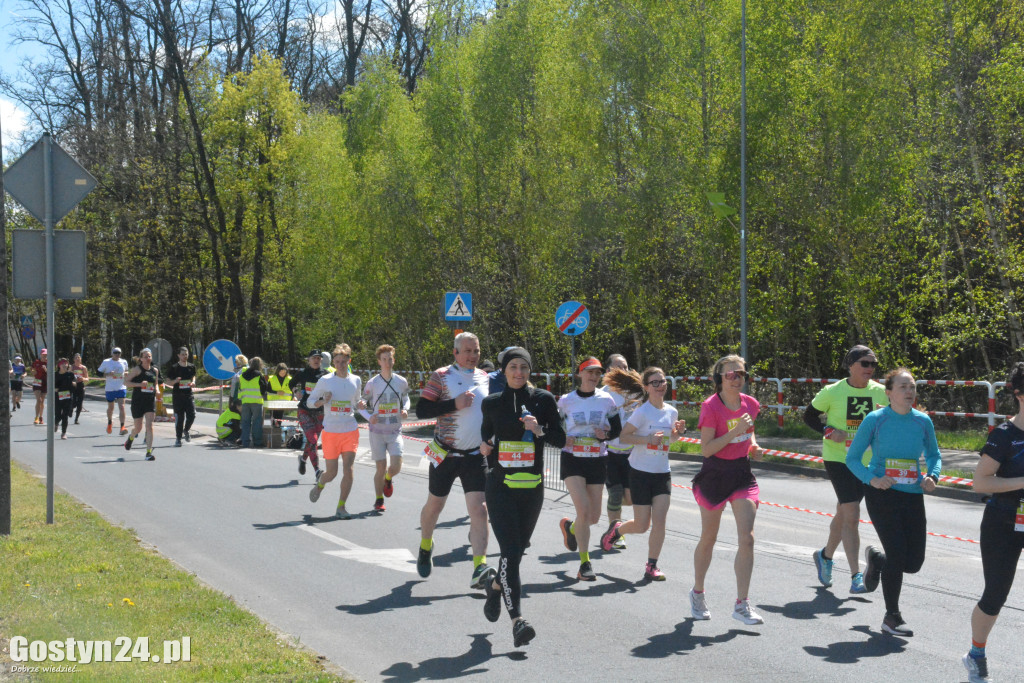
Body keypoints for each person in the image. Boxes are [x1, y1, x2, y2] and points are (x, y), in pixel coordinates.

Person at [846, 367, 941, 637]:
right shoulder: (875, 420)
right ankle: (892, 617)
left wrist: (932, 476)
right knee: (899, 556)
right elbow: (852, 459)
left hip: (912, 494)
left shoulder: (923, 421)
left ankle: (878, 559)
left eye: (912, 387)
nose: (909, 391)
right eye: (903, 387)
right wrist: (872, 479)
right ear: (889, 393)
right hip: (882, 494)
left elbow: (934, 455)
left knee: (913, 563)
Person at [479, 347, 565, 647]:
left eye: (524, 367)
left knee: (517, 550)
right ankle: (518, 622)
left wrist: (539, 430)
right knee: (511, 553)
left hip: (531, 488)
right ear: (504, 371)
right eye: (513, 367)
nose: (519, 372)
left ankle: (493, 586)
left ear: (530, 370)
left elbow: (561, 438)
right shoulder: (491, 403)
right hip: (500, 487)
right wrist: (485, 448)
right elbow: (486, 436)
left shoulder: (542, 399)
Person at [687, 355, 766, 625]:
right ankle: (698, 592)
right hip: (714, 476)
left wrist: (753, 445)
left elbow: (749, 430)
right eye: (731, 374)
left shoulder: (751, 404)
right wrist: (735, 433)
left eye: (741, 374)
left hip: (742, 475)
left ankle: (742, 604)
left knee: (747, 538)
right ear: (719, 378)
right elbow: (706, 449)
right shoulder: (711, 407)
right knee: (709, 538)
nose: (737, 379)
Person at [804, 345, 888, 594]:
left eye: (873, 364)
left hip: (867, 462)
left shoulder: (882, 392)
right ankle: (856, 576)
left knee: (844, 513)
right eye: (865, 363)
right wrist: (829, 431)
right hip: (839, 459)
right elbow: (809, 417)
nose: (870, 369)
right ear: (850, 365)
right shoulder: (832, 392)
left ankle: (825, 556)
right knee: (851, 515)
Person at [414, 331, 493, 589]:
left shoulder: (485, 378)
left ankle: (479, 566)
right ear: (456, 353)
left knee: (480, 511)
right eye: (467, 351)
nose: (472, 356)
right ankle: (426, 545)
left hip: (474, 456)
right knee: (434, 507)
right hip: (445, 453)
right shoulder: (441, 376)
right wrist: (453, 404)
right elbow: (422, 410)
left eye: (476, 351)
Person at [962, 362, 1024, 683]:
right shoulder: (1005, 435)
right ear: (1019, 394)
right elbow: (980, 483)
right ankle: (976, 654)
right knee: (996, 594)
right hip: (1004, 520)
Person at [600, 367, 686, 582]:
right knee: (641, 525)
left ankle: (651, 566)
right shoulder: (642, 412)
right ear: (647, 388)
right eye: (655, 382)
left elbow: (669, 441)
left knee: (660, 522)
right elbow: (625, 437)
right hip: (639, 473)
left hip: (662, 473)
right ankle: (616, 531)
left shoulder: (671, 411)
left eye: (663, 381)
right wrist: (648, 440)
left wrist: (677, 434)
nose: (660, 386)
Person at [557, 357, 621, 581]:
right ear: (580, 374)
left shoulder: (607, 400)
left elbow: (617, 429)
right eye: (589, 372)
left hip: (597, 459)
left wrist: (607, 435)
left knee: (593, 517)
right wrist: (563, 439)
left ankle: (571, 527)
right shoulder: (566, 401)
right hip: (572, 459)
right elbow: (555, 429)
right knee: (584, 510)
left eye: (597, 373)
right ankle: (584, 564)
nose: (593, 377)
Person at [306, 344, 364, 519]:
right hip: (331, 432)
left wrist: (361, 405)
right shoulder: (325, 380)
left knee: (349, 469)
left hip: (350, 430)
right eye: (337, 362)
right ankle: (320, 484)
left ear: (349, 361)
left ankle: (341, 507)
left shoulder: (356, 380)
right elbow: (310, 402)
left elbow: (356, 402)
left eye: (343, 362)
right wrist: (323, 400)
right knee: (332, 473)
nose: (340, 365)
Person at [363, 345, 410, 513]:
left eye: (390, 359)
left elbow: (406, 398)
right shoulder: (373, 383)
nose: (387, 362)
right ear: (379, 362)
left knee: (396, 465)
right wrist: (369, 417)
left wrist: (405, 409)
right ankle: (379, 499)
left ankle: (388, 479)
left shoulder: (401, 381)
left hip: (395, 430)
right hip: (377, 432)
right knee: (380, 467)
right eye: (384, 359)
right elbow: (361, 404)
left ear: (393, 360)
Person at [603, 353, 636, 549]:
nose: (623, 371)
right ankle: (614, 533)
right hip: (610, 453)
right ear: (608, 371)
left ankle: (614, 523)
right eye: (617, 367)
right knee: (615, 494)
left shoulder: (636, 392)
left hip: (632, 454)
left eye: (625, 367)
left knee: (631, 499)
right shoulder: (603, 395)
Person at [291, 349, 329, 477]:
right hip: (304, 410)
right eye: (314, 358)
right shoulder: (303, 373)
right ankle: (318, 471)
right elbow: (291, 383)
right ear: (309, 360)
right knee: (313, 440)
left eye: (319, 358)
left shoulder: (326, 375)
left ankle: (302, 459)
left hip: (319, 412)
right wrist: (295, 390)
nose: (316, 360)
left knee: (312, 441)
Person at [124, 348, 162, 461]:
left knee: (149, 426)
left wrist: (157, 390)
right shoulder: (137, 370)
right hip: (138, 402)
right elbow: (126, 382)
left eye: (149, 356)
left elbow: (155, 384)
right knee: (138, 428)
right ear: (141, 359)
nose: (148, 358)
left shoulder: (155, 370)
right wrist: (140, 384)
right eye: (146, 356)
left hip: (150, 401)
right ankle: (131, 438)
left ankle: (148, 452)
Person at [166, 347, 197, 446]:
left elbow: (193, 376)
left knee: (192, 415)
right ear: (179, 355)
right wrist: (175, 381)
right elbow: (167, 381)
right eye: (183, 354)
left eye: (186, 354)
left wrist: (193, 382)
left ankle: (186, 430)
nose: (185, 356)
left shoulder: (191, 366)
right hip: (178, 396)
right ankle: (178, 438)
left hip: (188, 395)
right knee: (180, 418)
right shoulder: (174, 367)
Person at [237, 357, 269, 448]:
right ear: (260, 365)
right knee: (256, 422)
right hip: (257, 401)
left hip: (245, 401)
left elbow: (240, 388)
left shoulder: (242, 375)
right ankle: (257, 442)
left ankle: (245, 442)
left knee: (245, 422)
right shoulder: (259, 375)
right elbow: (264, 388)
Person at [98, 347, 130, 435]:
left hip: (121, 387)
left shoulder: (124, 362)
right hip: (110, 388)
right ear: (112, 353)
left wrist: (126, 374)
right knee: (111, 407)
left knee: (122, 406)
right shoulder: (106, 362)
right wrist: (108, 374)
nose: (117, 354)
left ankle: (122, 427)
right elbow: (99, 373)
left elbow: (127, 371)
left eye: (119, 353)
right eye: (115, 353)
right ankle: (109, 422)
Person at [53, 357, 76, 439]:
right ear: (59, 365)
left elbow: (75, 382)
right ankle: (56, 423)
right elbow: (51, 385)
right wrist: (55, 388)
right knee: (58, 414)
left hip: (68, 397)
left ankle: (63, 433)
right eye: (62, 363)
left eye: (66, 363)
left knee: (65, 415)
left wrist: (74, 383)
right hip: (58, 397)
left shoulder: (70, 374)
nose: (64, 365)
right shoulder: (55, 374)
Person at [70, 353, 89, 424]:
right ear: (74, 359)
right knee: (74, 402)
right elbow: (68, 376)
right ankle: (71, 409)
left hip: (81, 385)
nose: (77, 359)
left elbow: (87, 379)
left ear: (80, 359)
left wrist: (83, 378)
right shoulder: (71, 367)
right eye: (76, 358)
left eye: (79, 357)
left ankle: (76, 419)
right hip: (73, 386)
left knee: (80, 404)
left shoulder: (83, 368)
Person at [31, 349, 47, 425]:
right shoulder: (36, 362)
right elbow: (32, 369)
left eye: (46, 355)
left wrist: (46, 369)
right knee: (39, 400)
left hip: (45, 383)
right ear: (40, 355)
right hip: (37, 382)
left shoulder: (49, 363)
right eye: (43, 355)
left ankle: (41, 417)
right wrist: (33, 372)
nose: (44, 356)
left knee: (42, 401)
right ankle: (36, 417)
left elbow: (51, 373)